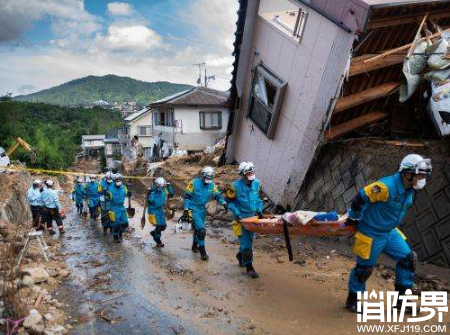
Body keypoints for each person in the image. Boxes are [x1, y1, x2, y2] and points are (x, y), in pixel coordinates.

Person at [345, 154, 432, 313]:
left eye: (424, 175)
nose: (422, 178)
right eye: (420, 174)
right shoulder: (386, 187)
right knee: (364, 269)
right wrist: (353, 217)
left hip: (389, 232)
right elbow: (360, 198)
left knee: (408, 259)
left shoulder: (409, 189)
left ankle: (402, 301)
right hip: (371, 232)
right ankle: (352, 300)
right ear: (408, 173)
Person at [181, 166, 227, 261]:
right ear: (202, 175)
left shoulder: (212, 185)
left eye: (210, 178)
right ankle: (203, 253)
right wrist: (186, 210)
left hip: (202, 209)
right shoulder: (194, 183)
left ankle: (194, 246)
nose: (208, 180)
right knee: (202, 231)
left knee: (197, 229)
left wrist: (224, 203)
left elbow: (217, 195)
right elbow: (187, 196)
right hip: (192, 208)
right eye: (207, 178)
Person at [227, 162, 263, 278]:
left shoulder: (257, 183)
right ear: (243, 174)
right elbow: (230, 202)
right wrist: (237, 214)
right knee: (247, 244)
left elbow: (258, 198)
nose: (251, 174)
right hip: (241, 219)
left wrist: (259, 210)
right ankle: (250, 268)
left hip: (252, 218)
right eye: (249, 173)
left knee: (249, 241)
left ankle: (240, 256)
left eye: (252, 172)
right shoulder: (235, 186)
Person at [147, 177, 174, 247]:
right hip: (152, 210)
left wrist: (169, 186)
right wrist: (148, 194)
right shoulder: (152, 192)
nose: (160, 188)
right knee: (158, 226)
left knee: (163, 226)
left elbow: (171, 194)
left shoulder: (164, 190)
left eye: (162, 187)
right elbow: (149, 202)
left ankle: (154, 233)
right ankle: (158, 240)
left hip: (160, 210)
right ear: (156, 185)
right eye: (159, 186)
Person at [108, 174, 131, 243]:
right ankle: (115, 236)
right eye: (117, 181)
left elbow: (126, 193)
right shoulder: (110, 189)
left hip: (121, 207)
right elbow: (108, 198)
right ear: (114, 181)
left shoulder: (123, 187)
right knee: (116, 223)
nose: (119, 182)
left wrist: (129, 194)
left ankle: (120, 232)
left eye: (120, 180)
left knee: (125, 223)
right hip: (113, 207)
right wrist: (106, 195)